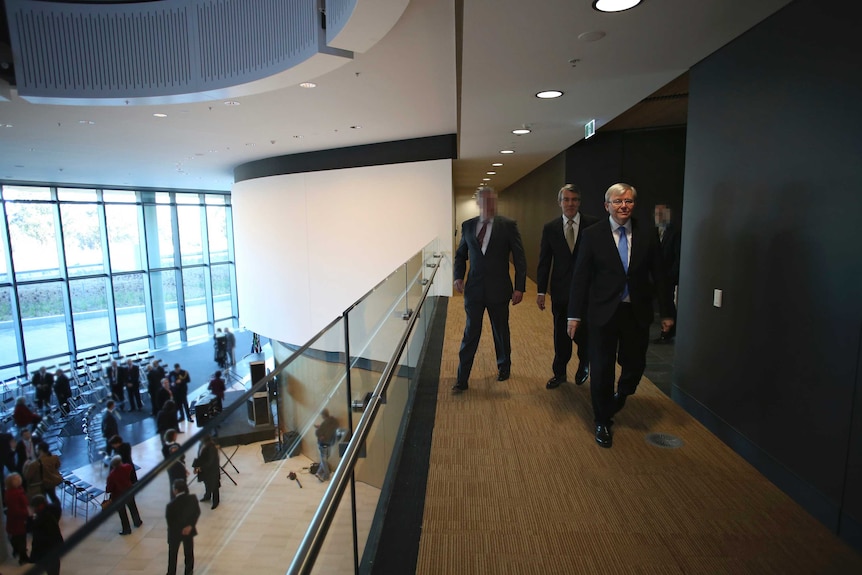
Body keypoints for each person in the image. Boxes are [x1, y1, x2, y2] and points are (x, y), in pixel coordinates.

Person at [567, 183, 675, 448]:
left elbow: (660, 276)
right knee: (602, 368)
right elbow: (580, 277)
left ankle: (623, 393)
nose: (623, 206)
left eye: (627, 201)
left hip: (635, 311)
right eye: (617, 202)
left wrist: (667, 312)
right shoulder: (593, 235)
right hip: (602, 312)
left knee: (635, 363)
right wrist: (573, 315)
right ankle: (602, 420)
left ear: (633, 204)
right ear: (607, 206)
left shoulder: (647, 234)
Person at [452, 185, 527, 392]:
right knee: (470, 333)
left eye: (492, 200)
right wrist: (458, 276)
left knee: (501, 331)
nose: (489, 204)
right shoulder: (468, 226)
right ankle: (462, 377)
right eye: (485, 201)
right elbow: (460, 255)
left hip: (499, 289)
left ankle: (504, 367)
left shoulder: (508, 225)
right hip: (474, 290)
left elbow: (519, 258)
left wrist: (520, 287)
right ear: (479, 203)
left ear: (496, 202)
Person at [536, 183, 600, 389]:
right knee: (561, 334)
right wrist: (540, 291)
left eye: (574, 200)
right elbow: (544, 261)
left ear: (579, 202)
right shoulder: (550, 228)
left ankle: (584, 363)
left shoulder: (594, 225)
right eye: (566, 200)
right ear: (559, 203)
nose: (570, 204)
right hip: (561, 291)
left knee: (585, 332)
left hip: (588, 292)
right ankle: (560, 373)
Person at [654, 203, 681, 343]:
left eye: (661, 213)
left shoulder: (675, 232)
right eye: (657, 214)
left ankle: (668, 333)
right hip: (654, 276)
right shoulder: (654, 232)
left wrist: (672, 275)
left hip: (668, 276)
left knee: (668, 304)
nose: (658, 216)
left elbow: (677, 256)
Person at [165, 478, 201, 575]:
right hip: (189, 532)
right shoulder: (192, 498)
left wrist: (180, 529)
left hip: (175, 534)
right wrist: (190, 526)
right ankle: (189, 571)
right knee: (189, 552)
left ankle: (171, 572)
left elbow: (170, 522)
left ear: (176, 490)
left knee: (173, 555)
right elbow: (196, 513)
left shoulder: (171, 505)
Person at [105, 455, 143, 535]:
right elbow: (130, 468)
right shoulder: (127, 467)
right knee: (133, 507)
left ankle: (126, 529)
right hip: (129, 491)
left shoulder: (111, 475)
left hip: (118, 495)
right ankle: (137, 522)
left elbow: (109, 489)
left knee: (122, 513)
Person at [27, 494, 64, 575]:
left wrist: (29, 517)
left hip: (45, 549)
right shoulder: (52, 511)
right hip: (55, 546)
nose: (34, 509)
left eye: (35, 507)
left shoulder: (42, 517)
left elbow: (29, 528)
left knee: (51, 570)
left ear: (40, 506)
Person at [4, 472, 30, 564]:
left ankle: (16, 551)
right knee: (21, 539)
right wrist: (26, 513)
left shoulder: (8, 492)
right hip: (19, 521)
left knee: (15, 537)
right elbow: (18, 510)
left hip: (12, 520)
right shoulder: (17, 494)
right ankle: (23, 558)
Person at [192, 434, 220, 509]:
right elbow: (200, 456)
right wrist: (195, 466)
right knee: (206, 483)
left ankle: (215, 501)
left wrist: (201, 468)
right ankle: (207, 496)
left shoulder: (212, 448)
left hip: (212, 470)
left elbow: (211, 461)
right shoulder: (201, 445)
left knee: (214, 486)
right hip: (205, 470)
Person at [314, 409, 338, 482]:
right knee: (325, 458)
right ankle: (318, 472)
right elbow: (329, 430)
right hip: (330, 443)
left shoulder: (325, 423)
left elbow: (318, 433)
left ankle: (326, 475)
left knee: (323, 459)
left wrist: (318, 429)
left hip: (323, 443)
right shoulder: (333, 421)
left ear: (323, 415)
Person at [36, 442, 63, 507]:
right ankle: (57, 507)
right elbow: (58, 466)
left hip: (44, 482)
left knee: (45, 497)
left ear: (40, 450)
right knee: (53, 496)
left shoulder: (39, 461)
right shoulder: (54, 457)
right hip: (53, 480)